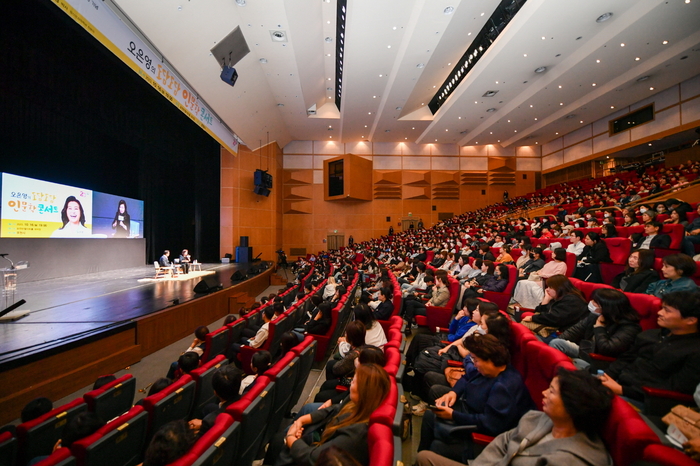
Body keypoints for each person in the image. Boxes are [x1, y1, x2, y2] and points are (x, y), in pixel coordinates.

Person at [417, 369, 614, 466]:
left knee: (426, 456)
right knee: (425, 456)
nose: (544, 393)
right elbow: (503, 442)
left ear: (573, 406)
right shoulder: (539, 418)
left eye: (552, 391)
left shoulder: (573, 460)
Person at [418, 334, 535, 463]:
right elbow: (467, 377)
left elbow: (490, 424)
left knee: (437, 447)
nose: (474, 364)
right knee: (430, 415)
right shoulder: (489, 370)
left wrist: (453, 416)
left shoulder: (505, 387)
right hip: (471, 411)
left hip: (485, 437)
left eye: (476, 360)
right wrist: (454, 393)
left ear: (490, 360)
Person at [275, 363, 391, 466]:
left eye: (354, 382)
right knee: (281, 438)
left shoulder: (356, 434)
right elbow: (334, 409)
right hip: (322, 441)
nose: (350, 384)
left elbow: (314, 458)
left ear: (364, 391)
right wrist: (302, 420)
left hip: (318, 455)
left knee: (280, 441)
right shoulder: (355, 403)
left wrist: (291, 438)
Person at [600, 290, 700, 404]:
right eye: (662, 308)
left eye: (667, 311)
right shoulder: (650, 334)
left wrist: (622, 390)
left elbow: (674, 388)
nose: (660, 313)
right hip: (617, 383)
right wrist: (606, 376)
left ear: (691, 320)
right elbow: (624, 360)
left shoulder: (695, 350)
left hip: (645, 400)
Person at [549, 288, 642, 368]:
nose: (591, 303)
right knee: (557, 343)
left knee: (572, 365)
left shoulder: (629, 327)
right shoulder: (595, 315)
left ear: (607, 308)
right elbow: (575, 331)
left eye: (595, 302)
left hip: (601, 361)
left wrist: (599, 328)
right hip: (586, 350)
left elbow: (607, 349)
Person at [521, 275, 588, 340]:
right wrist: (546, 299)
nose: (547, 290)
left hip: (564, 335)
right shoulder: (559, 297)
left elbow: (554, 318)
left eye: (550, 287)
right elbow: (539, 312)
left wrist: (532, 318)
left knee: (525, 337)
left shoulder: (572, 300)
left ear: (559, 288)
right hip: (555, 329)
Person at [189, 364, 243, 436]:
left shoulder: (209, 422)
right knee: (208, 407)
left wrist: (202, 425)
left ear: (215, 393)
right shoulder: (247, 394)